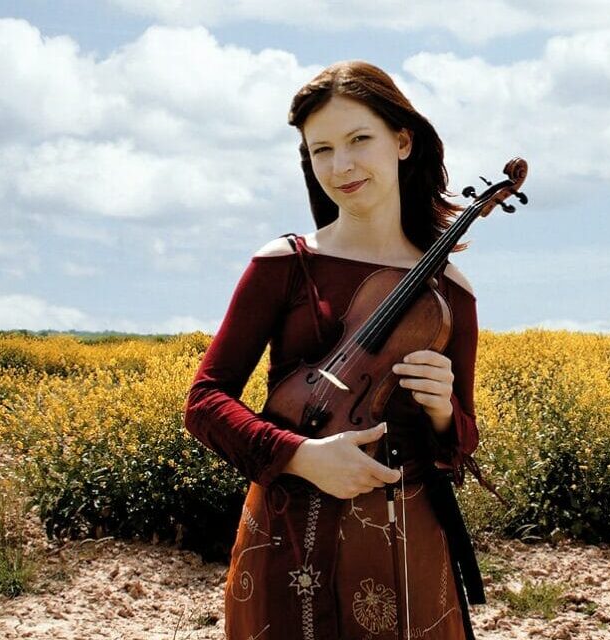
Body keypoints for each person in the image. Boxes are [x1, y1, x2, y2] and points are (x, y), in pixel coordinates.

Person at [185, 61, 483, 639]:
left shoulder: (451, 293)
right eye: (321, 150)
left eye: (358, 140)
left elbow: (460, 447)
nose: (341, 165)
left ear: (402, 140)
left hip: (406, 536)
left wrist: (445, 410)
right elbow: (205, 401)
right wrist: (301, 455)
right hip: (289, 528)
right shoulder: (283, 264)